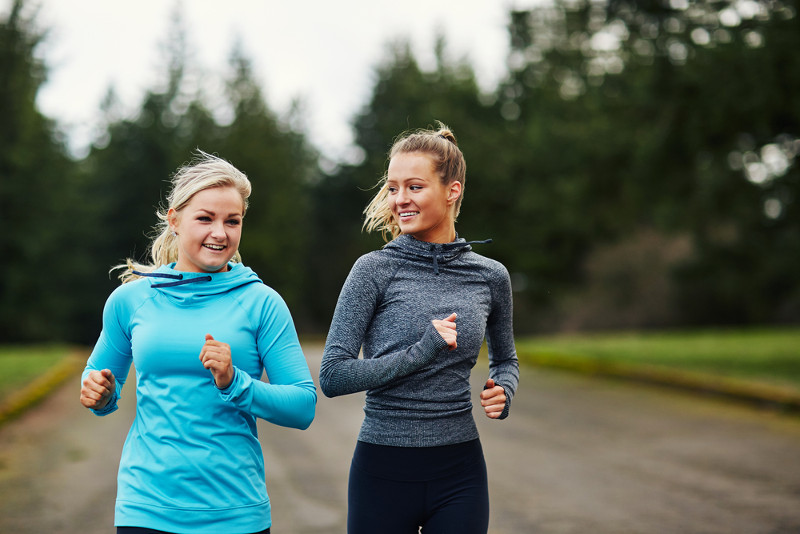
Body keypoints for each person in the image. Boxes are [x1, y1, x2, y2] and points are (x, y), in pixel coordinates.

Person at [80, 152, 316, 534]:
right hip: (145, 508)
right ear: (174, 220)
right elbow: (99, 380)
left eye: (232, 221)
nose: (220, 232)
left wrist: (235, 382)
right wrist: (99, 392)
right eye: (205, 218)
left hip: (234, 512)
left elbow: (303, 407)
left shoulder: (262, 303)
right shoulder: (130, 300)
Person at [319, 123, 520, 534]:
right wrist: (421, 351)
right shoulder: (373, 270)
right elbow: (333, 375)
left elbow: (506, 358)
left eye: (413, 187)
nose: (400, 200)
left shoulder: (490, 276)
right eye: (393, 188)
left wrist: (504, 388)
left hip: (459, 471)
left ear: (453, 190)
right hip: (382, 471)